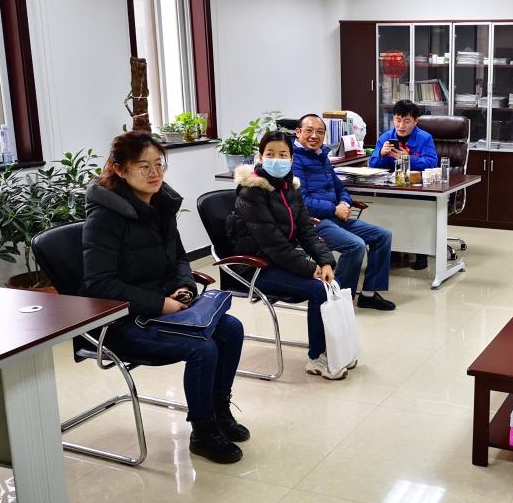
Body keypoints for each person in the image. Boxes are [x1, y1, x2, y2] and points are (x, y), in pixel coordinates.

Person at [82, 131, 247, 465]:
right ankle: (202, 431)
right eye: (143, 166)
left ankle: (219, 411)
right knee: (203, 348)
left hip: (164, 310)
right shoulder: (104, 219)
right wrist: (160, 304)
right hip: (124, 322)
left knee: (231, 329)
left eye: (159, 164)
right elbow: (100, 284)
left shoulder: (160, 206)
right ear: (120, 169)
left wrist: (185, 288)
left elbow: (180, 259)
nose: (154, 173)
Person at [228, 131, 353, 380]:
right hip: (257, 266)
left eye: (283, 154)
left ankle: (337, 350)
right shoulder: (250, 192)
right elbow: (273, 245)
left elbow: (307, 230)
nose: (277, 159)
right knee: (319, 289)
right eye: (270, 154)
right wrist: (310, 269)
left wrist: (325, 261)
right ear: (260, 157)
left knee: (332, 281)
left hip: (282, 260)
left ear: (292, 159)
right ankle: (317, 357)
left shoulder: (290, 187)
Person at [290, 113, 396, 311]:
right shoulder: (294, 159)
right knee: (355, 246)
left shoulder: (322, 156)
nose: (314, 136)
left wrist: (345, 204)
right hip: (313, 222)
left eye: (319, 132)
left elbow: (340, 188)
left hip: (336, 217)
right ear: (298, 132)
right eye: (309, 131)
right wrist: (334, 209)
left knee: (383, 236)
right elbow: (302, 202)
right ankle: (339, 300)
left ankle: (368, 294)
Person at [368, 99, 439, 271]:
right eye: (398, 120)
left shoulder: (424, 138)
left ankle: (421, 253)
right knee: (386, 212)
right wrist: (382, 154)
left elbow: (431, 162)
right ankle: (392, 250)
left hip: (417, 188)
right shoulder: (385, 138)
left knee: (417, 213)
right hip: (391, 187)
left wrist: (407, 159)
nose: (401, 125)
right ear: (393, 119)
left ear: (415, 121)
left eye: (406, 121)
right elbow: (372, 164)